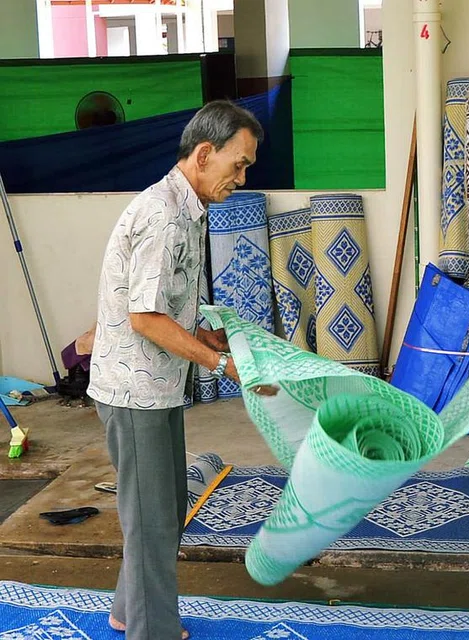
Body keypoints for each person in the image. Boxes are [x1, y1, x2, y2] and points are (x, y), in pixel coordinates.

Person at [87, 100, 276, 640]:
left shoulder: (187, 208)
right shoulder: (166, 216)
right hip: (133, 389)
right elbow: (144, 317)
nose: (241, 178)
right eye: (237, 165)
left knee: (164, 509)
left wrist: (203, 335)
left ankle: (129, 609)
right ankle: (152, 631)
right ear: (203, 153)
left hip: (157, 387)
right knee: (150, 518)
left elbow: (165, 307)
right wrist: (217, 361)